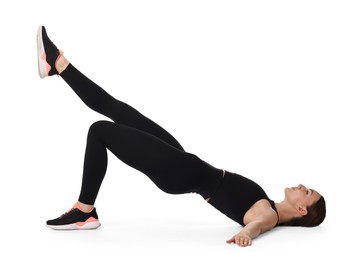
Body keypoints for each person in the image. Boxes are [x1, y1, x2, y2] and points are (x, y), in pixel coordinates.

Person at [37, 25, 326, 247]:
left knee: (99, 130)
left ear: (301, 209)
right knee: (120, 110)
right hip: (183, 162)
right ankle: (57, 64)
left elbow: (256, 226)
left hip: (177, 171)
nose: (302, 186)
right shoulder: (268, 203)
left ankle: (84, 211)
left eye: (307, 191)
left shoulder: (268, 215)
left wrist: (246, 235)